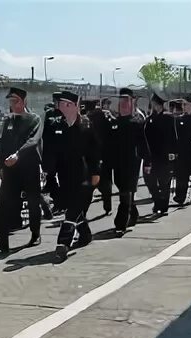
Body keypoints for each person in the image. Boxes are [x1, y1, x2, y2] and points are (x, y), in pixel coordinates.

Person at [0, 87, 44, 252]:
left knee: (33, 203)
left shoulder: (34, 119)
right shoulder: (8, 120)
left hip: (29, 168)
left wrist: (18, 155)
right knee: (3, 204)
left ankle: (35, 234)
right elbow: (2, 143)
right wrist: (0, 165)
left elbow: (32, 141)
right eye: (11, 101)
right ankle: (3, 240)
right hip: (10, 169)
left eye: (16, 101)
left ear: (24, 101)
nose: (13, 105)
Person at [54, 91, 101, 262]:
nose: (60, 106)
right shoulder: (58, 125)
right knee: (74, 208)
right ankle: (85, 234)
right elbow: (54, 152)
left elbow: (95, 151)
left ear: (74, 106)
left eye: (65, 104)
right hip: (65, 176)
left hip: (85, 175)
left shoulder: (86, 125)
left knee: (73, 210)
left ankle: (63, 243)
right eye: (60, 103)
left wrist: (96, 172)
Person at [101, 88, 149, 236]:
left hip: (132, 163)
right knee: (123, 189)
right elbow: (108, 145)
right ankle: (133, 214)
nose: (123, 104)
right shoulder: (114, 123)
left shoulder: (137, 123)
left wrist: (148, 162)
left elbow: (143, 143)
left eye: (126, 101)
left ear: (132, 102)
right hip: (117, 163)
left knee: (126, 192)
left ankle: (120, 223)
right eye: (121, 101)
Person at [144, 92, 178, 215]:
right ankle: (157, 200)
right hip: (151, 154)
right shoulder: (150, 119)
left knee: (164, 181)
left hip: (164, 154)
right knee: (150, 181)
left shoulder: (169, 118)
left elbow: (174, 136)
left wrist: (174, 152)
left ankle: (163, 206)